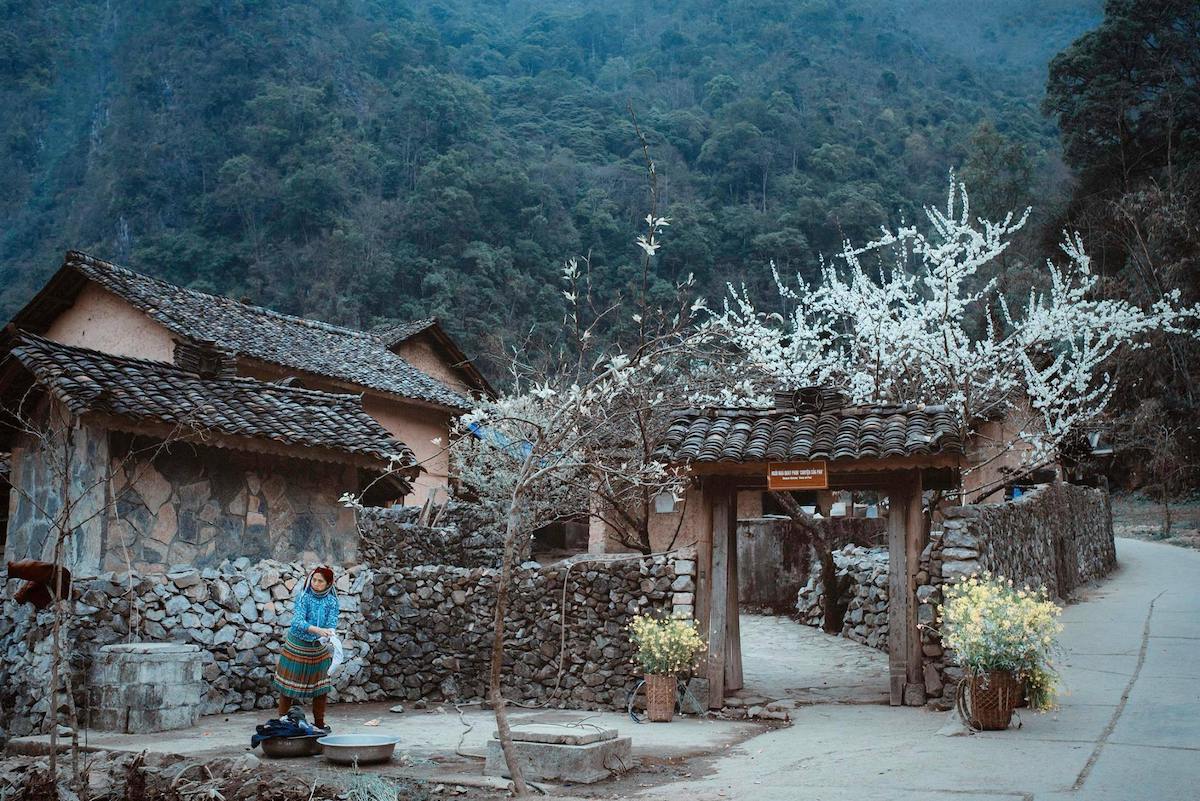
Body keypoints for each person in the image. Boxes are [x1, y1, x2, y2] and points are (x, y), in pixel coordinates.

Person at [272, 565, 340, 731]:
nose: (315, 583)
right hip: (297, 645)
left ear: (328, 584)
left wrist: (329, 634)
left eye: (320, 581)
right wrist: (317, 630)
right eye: (314, 580)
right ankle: (282, 720)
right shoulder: (304, 596)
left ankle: (319, 723)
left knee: (321, 688)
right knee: (288, 687)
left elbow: (332, 623)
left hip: (318, 647)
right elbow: (297, 621)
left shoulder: (332, 601)